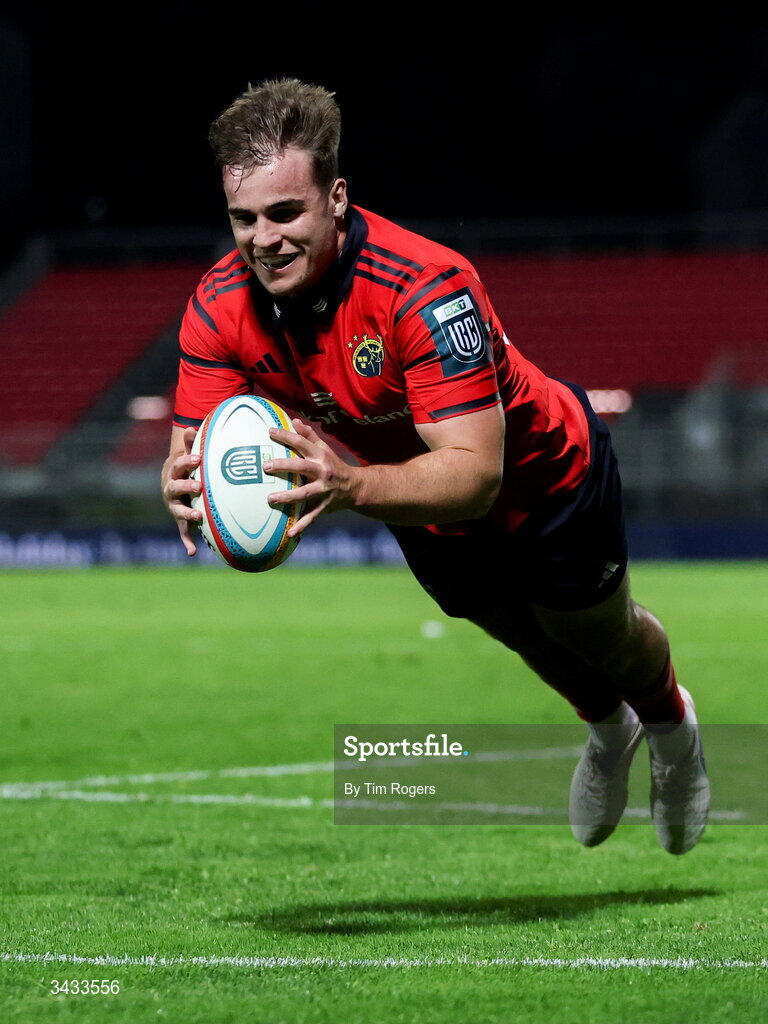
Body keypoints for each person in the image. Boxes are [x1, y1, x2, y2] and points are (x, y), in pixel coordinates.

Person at [161, 78, 710, 854]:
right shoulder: (218, 304)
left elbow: (477, 474)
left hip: (544, 479)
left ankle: (675, 734)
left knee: (597, 634)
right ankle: (606, 725)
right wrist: (181, 482)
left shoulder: (424, 287)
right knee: (522, 631)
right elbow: (195, 441)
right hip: (415, 497)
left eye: (286, 213)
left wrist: (350, 483)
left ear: (337, 197)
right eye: (243, 218)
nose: (263, 239)